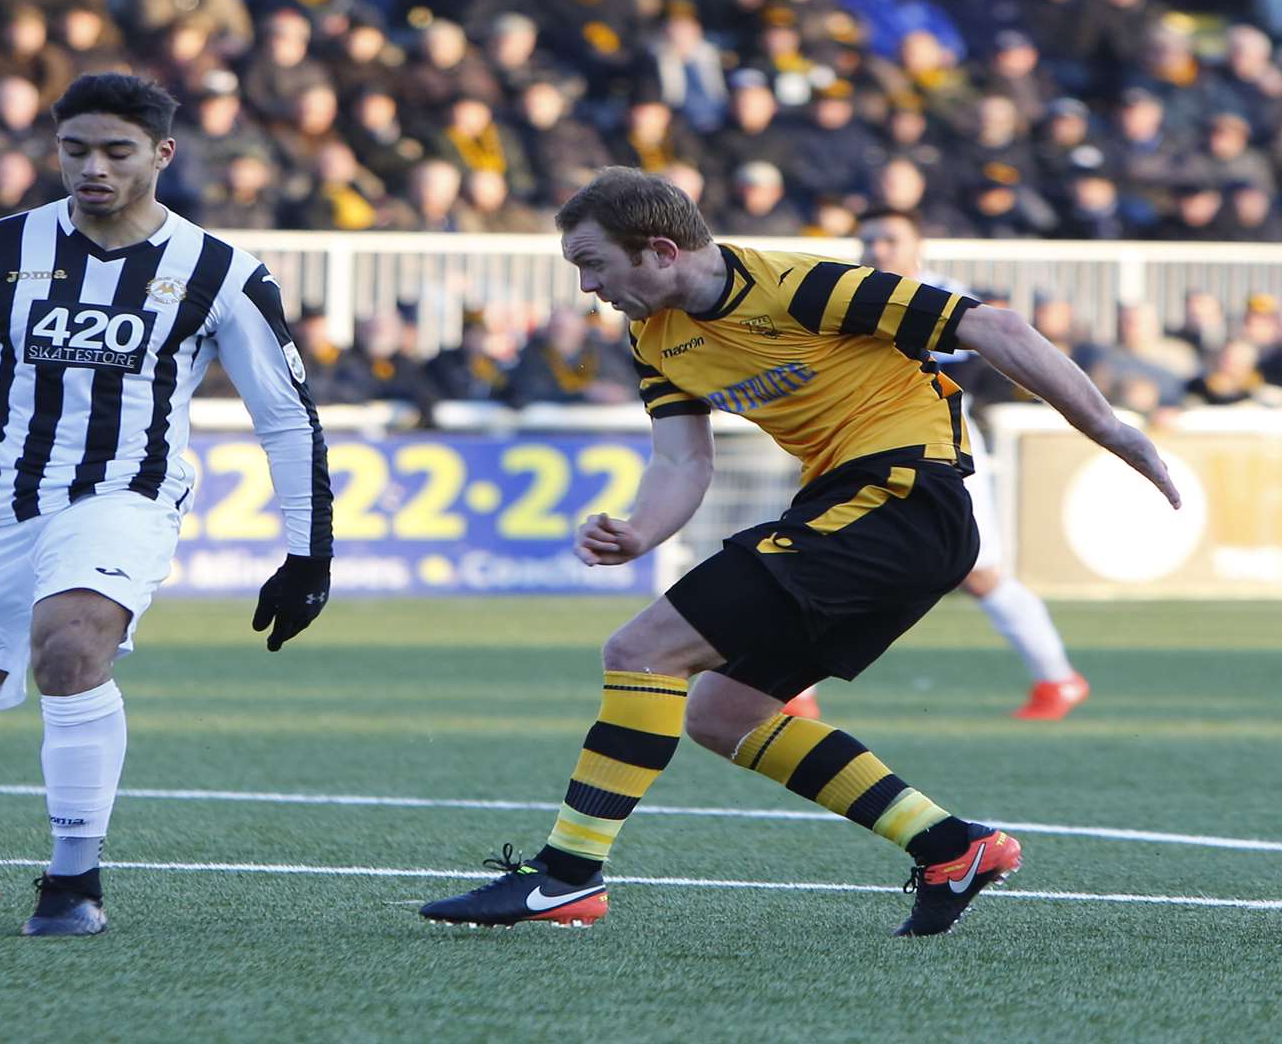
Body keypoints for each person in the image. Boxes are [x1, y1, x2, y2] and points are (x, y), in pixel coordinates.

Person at [419, 168, 1178, 936]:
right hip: (860, 512)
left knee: (643, 650)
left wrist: (1112, 431)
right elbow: (684, 463)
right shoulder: (653, 336)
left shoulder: (798, 286)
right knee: (723, 713)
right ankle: (951, 849)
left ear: (658, 250)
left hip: (902, 500)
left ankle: (566, 877)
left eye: (593, 264)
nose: (588, 287)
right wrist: (641, 531)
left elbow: (997, 328)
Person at [0, 73, 334, 936]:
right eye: (75, 149)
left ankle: (73, 881)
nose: (92, 168)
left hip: (125, 497)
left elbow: (286, 418)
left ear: (161, 154)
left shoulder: (220, 272)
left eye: (116, 152)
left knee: (72, 644)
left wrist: (310, 554)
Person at [786, 210, 1088, 721]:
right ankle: (792, 687)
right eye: (869, 240)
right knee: (830, 557)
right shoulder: (845, 296)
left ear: (918, 245)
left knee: (979, 577)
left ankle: (1058, 678)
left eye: (889, 239)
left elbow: (967, 367)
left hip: (944, 453)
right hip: (860, 448)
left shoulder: (944, 296)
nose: (878, 249)